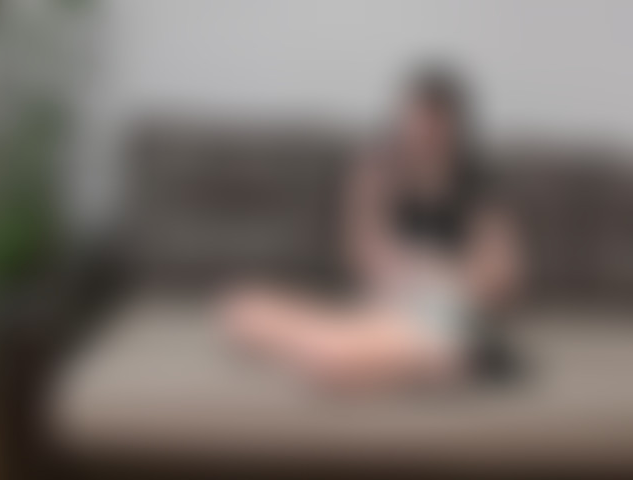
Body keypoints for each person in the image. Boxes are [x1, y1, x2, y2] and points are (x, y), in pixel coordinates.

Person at [220, 66, 523, 393]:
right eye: (418, 120)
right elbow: (363, 253)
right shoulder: (376, 172)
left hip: (444, 308)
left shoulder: (476, 185)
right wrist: (397, 275)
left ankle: (452, 360)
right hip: (383, 304)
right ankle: (407, 362)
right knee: (241, 310)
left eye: (436, 123)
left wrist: (444, 278)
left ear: (454, 127)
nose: (425, 133)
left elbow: (503, 270)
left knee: (330, 362)